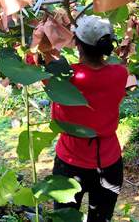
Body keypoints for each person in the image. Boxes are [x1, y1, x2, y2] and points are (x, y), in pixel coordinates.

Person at [49, 15, 129, 222]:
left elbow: (37, 61)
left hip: (69, 160)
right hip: (109, 162)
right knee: (101, 219)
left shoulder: (64, 77)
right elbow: (120, 64)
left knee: (64, 218)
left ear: (77, 43)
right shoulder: (120, 74)